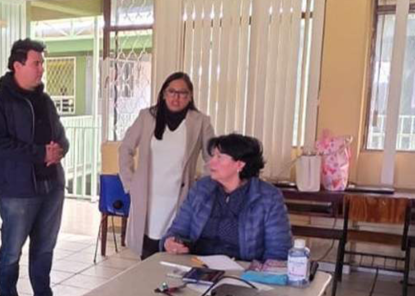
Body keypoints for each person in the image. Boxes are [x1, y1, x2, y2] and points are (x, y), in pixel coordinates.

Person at [0, 38, 70, 296]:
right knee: (11, 251)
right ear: (17, 65)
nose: (41, 69)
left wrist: (60, 150)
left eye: (42, 63)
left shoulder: (44, 101)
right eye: (36, 63)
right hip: (17, 191)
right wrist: (39, 154)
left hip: (51, 187)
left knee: (44, 248)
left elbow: (61, 135)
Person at [119, 72, 215, 259]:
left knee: (174, 252)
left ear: (190, 97)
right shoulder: (147, 117)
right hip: (149, 197)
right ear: (163, 93)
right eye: (172, 91)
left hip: (179, 197)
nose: (176, 97)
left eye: (183, 93)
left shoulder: (200, 121)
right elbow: (126, 148)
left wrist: (201, 187)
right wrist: (130, 183)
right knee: (147, 254)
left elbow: (212, 157)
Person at [163, 133, 293, 262]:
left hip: (243, 272)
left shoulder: (268, 197)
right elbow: (177, 231)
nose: (210, 163)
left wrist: (257, 275)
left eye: (219, 157)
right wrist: (170, 242)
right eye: (212, 156)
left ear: (240, 164)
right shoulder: (201, 189)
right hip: (196, 265)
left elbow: (278, 250)